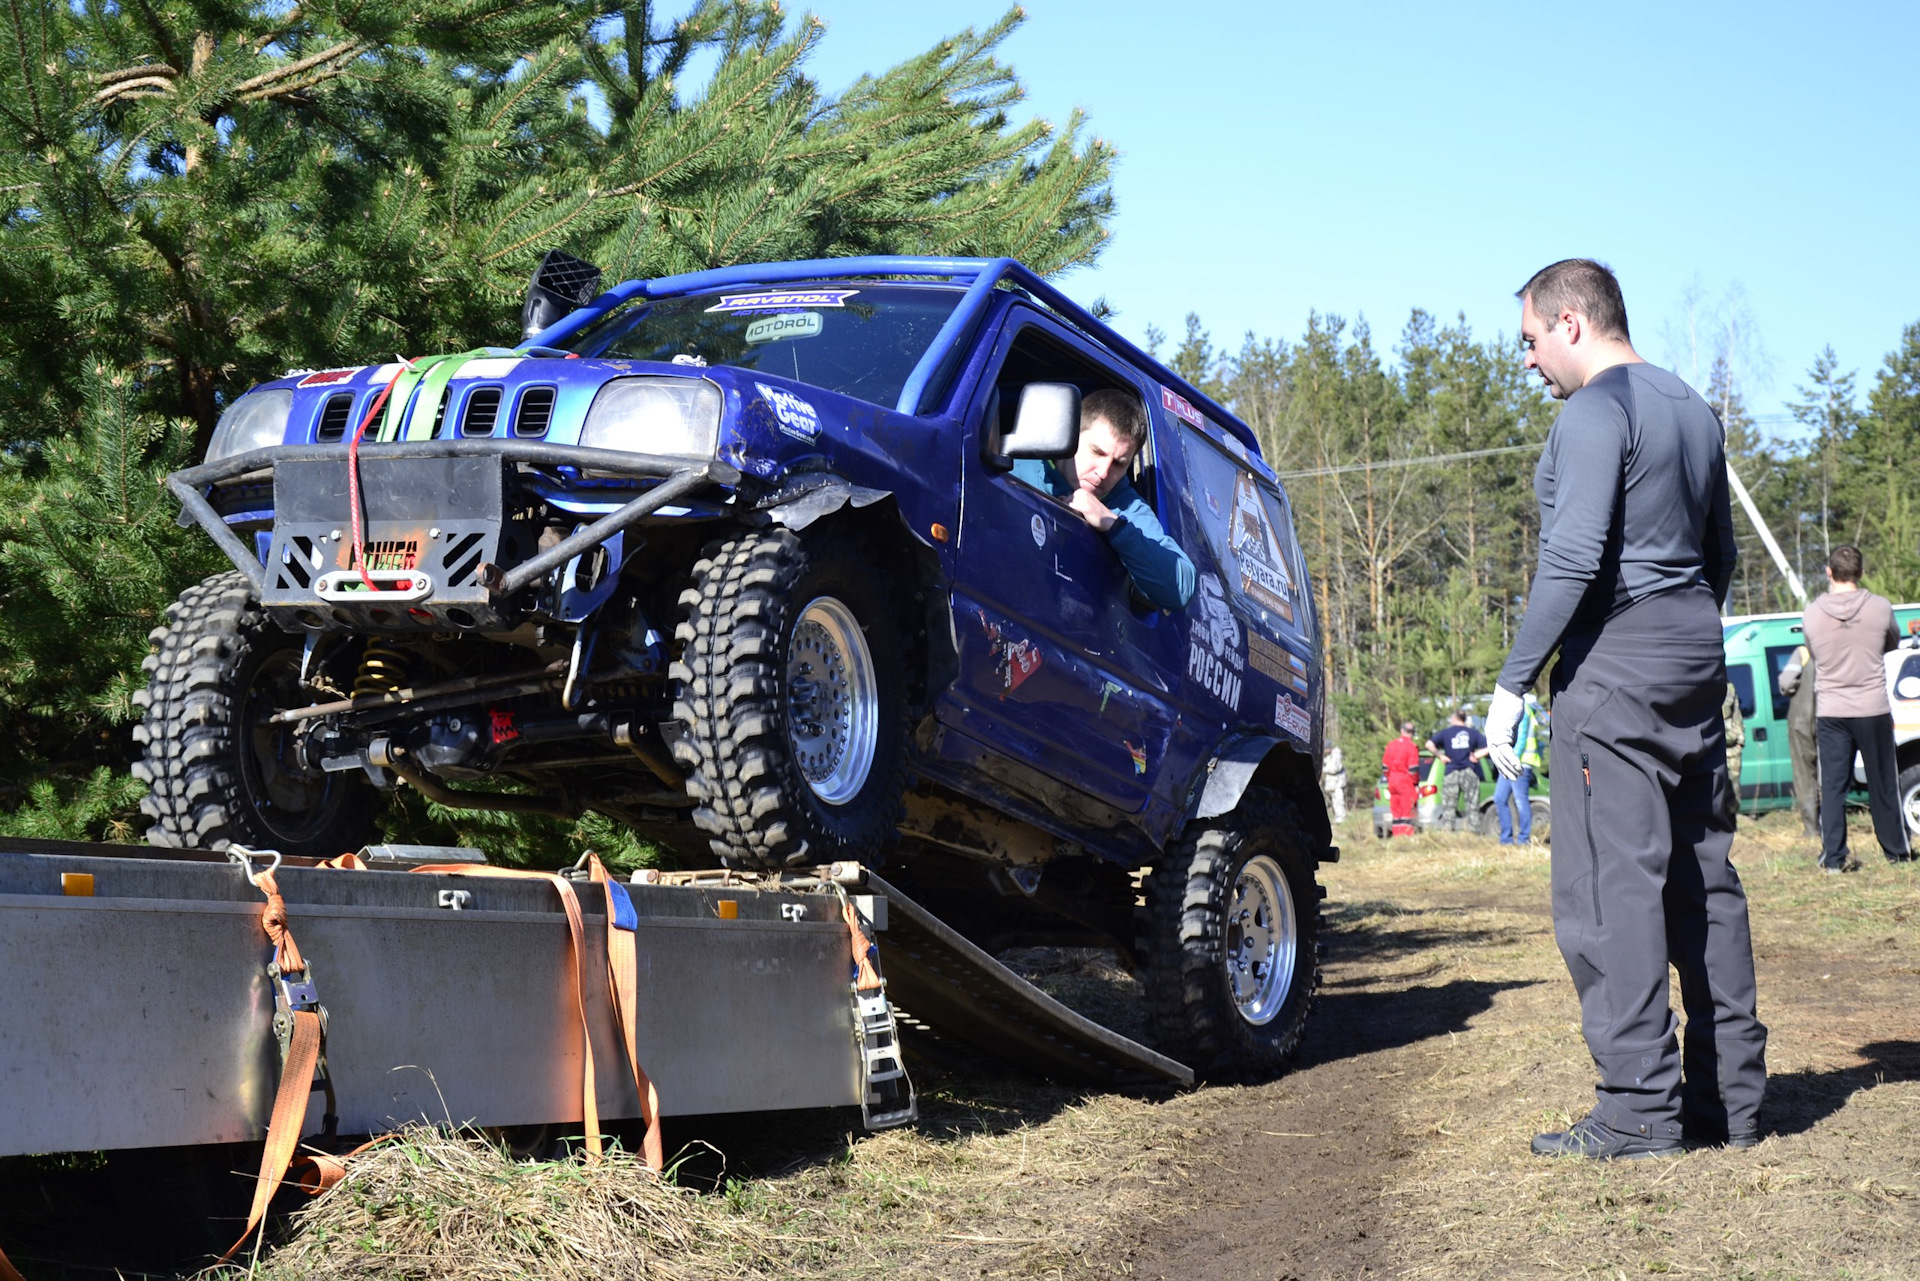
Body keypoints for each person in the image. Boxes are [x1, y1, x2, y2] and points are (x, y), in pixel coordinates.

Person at [1482, 258, 1766, 1160]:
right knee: (1703, 875)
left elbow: (1571, 560)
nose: (1528, 362)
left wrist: (1512, 682)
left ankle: (1641, 1106)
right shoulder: (1692, 407)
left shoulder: (1596, 412)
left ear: (1572, 323)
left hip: (1617, 662)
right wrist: (1686, 632)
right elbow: (1718, 552)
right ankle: (1731, 1099)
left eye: (1530, 341)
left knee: (1611, 886)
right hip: (1691, 643)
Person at [1010, 388, 1195, 610]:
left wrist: (1112, 525)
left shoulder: (1127, 508)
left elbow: (1181, 589)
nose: (1104, 472)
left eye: (1119, 464)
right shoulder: (1016, 466)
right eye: (1097, 452)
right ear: (1069, 434)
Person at [1801, 545, 1913, 871]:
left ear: (1829, 572)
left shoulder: (1812, 613)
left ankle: (1834, 858)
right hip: (1872, 707)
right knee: (1883, 782)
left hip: (1832, 710)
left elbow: (1814, 652)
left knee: (1834, 788)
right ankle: (1896, 852)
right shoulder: (1880, 607)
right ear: (1861, 573)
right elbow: (1891, 643)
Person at [1777, 644, 1821, 839]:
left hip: (1801, 722)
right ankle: (1831, 827)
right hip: (1828, 719)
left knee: (1804, 776)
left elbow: (1786, 684)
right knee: (1828, 775)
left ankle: (1811, 830)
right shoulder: (1832, 647)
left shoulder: (1802, 653)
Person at [1492, 694, 1543, 845]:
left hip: (1519, 763)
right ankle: (1506, 839)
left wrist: (1512, 760)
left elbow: (1520, 739)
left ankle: (1523, 839)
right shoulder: (1526, 709)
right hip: (1513, 761)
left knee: (1520, 801)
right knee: (1500, 798)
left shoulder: (1524, 711)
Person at [1427, 710, 1488, 832]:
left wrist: (1440, 756)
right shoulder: (1473, 733)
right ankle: (1474, 833)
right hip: (1469, 771)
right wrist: (1476, 755)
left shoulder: (1446, 733)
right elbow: (1489, 747)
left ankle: (1448, 832)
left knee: (1449, 806)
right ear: (1464, 719)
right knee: (1472, 805)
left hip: (1451, 771)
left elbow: (1429, 744)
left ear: (1454, 719)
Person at [1382, 722, 1421, 834]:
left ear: (1401, 731)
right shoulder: (1412, 747)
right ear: (1413, 733)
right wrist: (1415, 783)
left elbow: (1385, 767)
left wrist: (1390, 778)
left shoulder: (1391, 745)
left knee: (1396, 813)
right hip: (1406, 781)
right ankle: (1406, 837)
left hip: (1393, 780)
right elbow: (1413, 769)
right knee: (1407, 812)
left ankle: (1397, 837)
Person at [1721, 682, 1746, 827]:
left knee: (1733, 792)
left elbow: (1737, 715)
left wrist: (1740, 739)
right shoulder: (1703, 683)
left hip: (1730, 749)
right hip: (1711, 746)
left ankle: (1732, 826)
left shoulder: (1729, 688)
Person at [1321, 744, 1349, 823]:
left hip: (1338, 782)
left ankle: (1341, 816)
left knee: (1339, 799)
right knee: (1334, 800)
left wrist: (1325, 769)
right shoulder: (1329, 755)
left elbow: (1335, 768)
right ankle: (1337, 816)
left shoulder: (1336, 754)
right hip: (1332, 783)